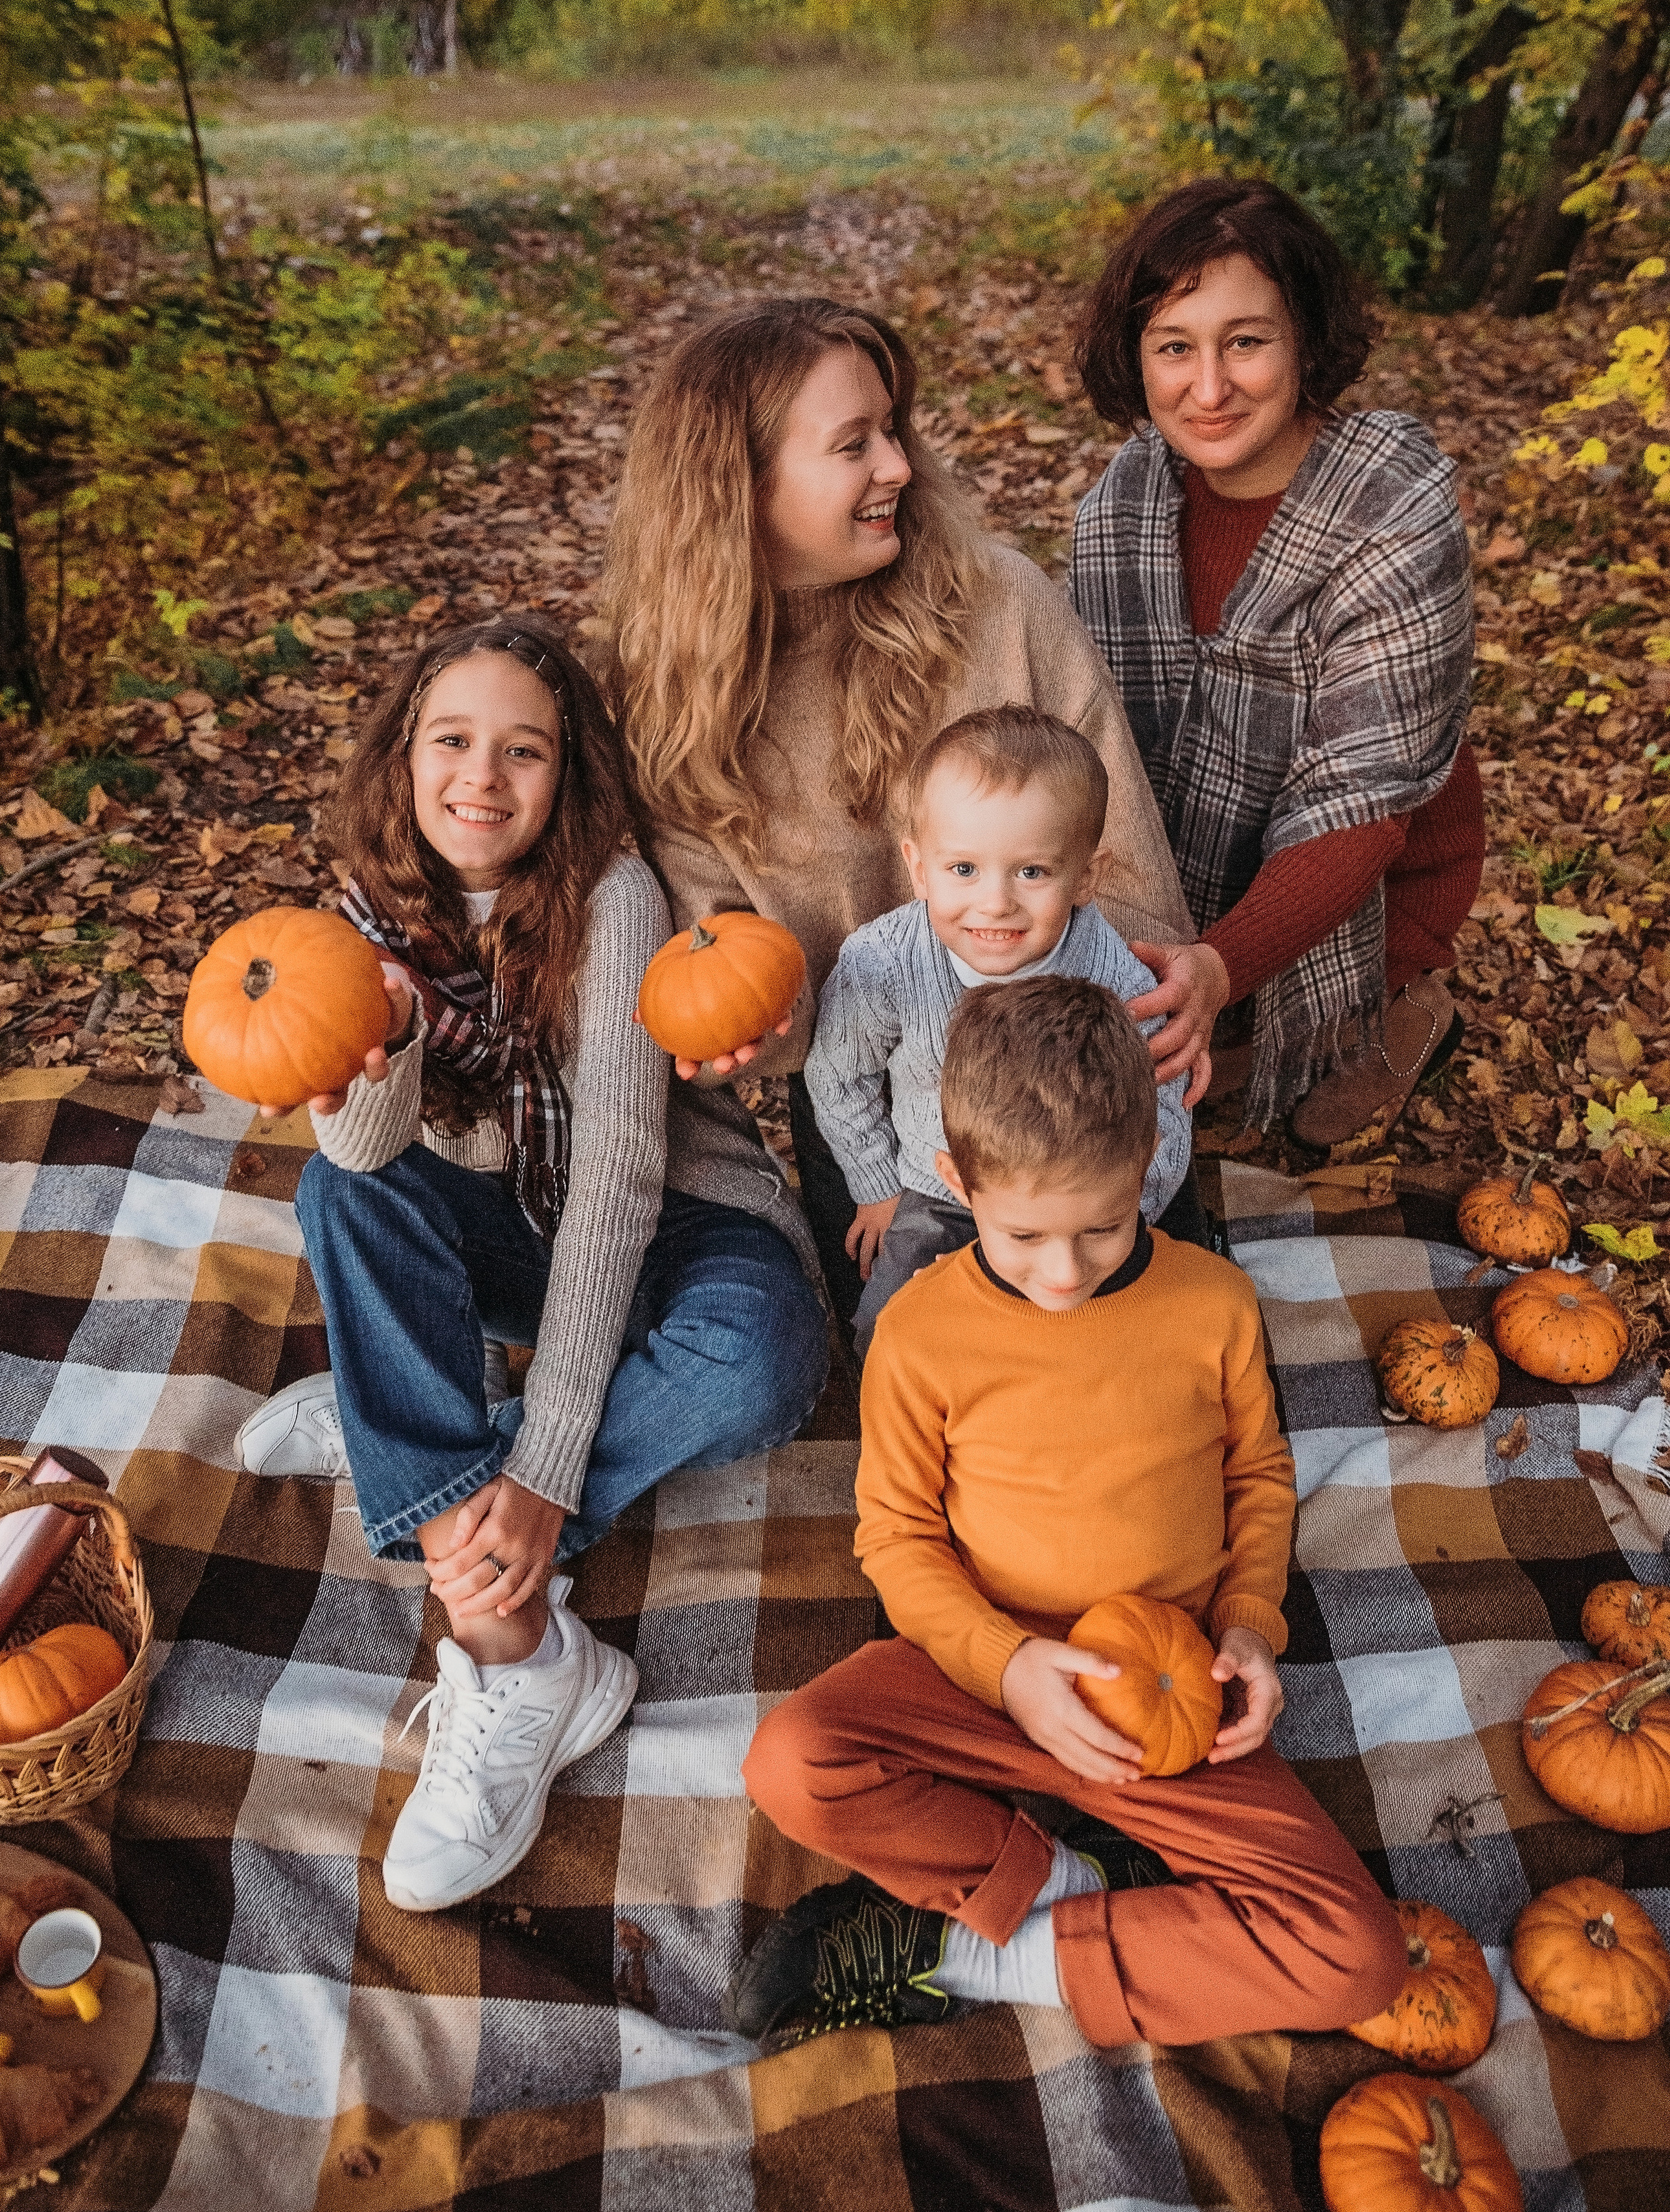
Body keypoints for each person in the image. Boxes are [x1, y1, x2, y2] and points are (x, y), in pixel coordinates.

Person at [234, 615, 827, 1913]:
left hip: (675, 1227)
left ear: (569, 777)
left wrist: (549, 1464)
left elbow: (617, 1177)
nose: (482, 780)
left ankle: (434, 1444)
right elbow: (376, 1156)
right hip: (504, 1238)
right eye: (452, 741)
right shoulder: (356, 923)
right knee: (343, 1190)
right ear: (402, 756)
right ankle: (514, 1648)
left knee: (769, 1360)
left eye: (525, 752)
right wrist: (378, 1048)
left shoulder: (612, 897)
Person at [730, 977, 1405, 2047]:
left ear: (1148, 1167)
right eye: (1026, 1236)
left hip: (1172, 1696)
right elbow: (898, 1537)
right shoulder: (917, 1333)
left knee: (1357, 1957)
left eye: (1101, 1227)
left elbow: (1258, 1478)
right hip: (986, 1674)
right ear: (956, 1181)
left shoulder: (1212, 1305)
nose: (1066, 1271)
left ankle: (990, 1955)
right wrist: (1005, 1668)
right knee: (792, 1759)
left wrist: (1248, 1627)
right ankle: (1072, 1876)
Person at [603, 295, 1199, 1323]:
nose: (900, 467)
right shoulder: (679, 698)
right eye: (854, 445)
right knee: (920, 1355)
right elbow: (723, 958)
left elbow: (1130, 873)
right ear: (738, 487)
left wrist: (1149, 1039)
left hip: (1082, 1069)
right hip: (881, 1104)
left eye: (893, 430)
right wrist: (746, 1024)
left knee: (1142, 1346)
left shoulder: (1001, 605)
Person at [1068, 176, 1482, 1151]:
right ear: (1137, 357)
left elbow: (1365, 807)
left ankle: (1396, 1005)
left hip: (1374, 882)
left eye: (1245, 342)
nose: (1208, 390)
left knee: (1290, 1130)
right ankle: (1217, 988)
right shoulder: (1122, 509)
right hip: (1186, 872)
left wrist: (1218, 966)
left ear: (1305, 340)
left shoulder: (1393, 512)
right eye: (1175, 347)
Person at [805, 705, 1190, 1354]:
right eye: (964, 870)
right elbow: (839, 1072)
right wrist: (877, 1189)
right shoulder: (884, 963)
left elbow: (1162, 1102)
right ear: (919, 866)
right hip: (937, 1192)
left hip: (1073, 1205)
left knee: (1108, 1339)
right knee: (890, 1327)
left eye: (1031, 872)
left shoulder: (1113, 978)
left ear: (1086, 877)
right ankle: (918, 1432)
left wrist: (1130, 1211)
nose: (996, 902)